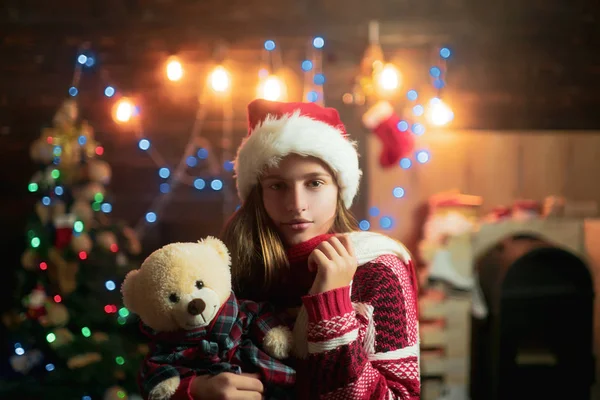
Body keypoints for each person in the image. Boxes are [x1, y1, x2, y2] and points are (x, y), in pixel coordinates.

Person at [191, 99, 420, 399]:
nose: (296, 204)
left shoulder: (377, 267)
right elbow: (167, 361)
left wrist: (332, 306)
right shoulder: (228, 269)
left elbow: (400, 396)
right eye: (277, 186)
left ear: (339, 188)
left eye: (314, 183)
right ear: (258, 194)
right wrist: (196, 390)